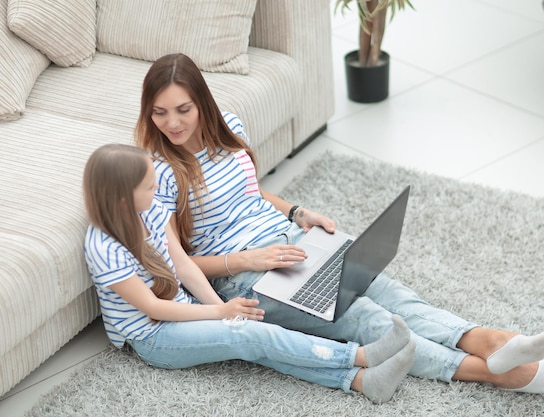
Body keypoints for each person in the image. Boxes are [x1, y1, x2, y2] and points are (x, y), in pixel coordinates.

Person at [135, 53, 544, 394]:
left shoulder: (228, 127)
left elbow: (251, 193)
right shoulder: (158, 171)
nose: (172, 123)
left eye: (183, 109)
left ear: (203, 102)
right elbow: (180, 262)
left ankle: (492, 340)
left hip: (290, 242)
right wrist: (246, 261)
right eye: (159, 113)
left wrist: (296, 213)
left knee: (390, 292)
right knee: (366, 317)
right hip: (247, 278)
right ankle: (499, 373)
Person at [82, 143, 417, 405]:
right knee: (253, 337)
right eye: (149, 186)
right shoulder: (103, 248)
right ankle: (361, 356)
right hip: (153, 335)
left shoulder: (151, 211)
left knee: (250, 331)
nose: (157, 190)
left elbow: (182, 264)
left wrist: (227, 312)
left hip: (182, 307)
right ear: (124, 199)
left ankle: (363, 382)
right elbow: (154, 310)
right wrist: (219, 313)